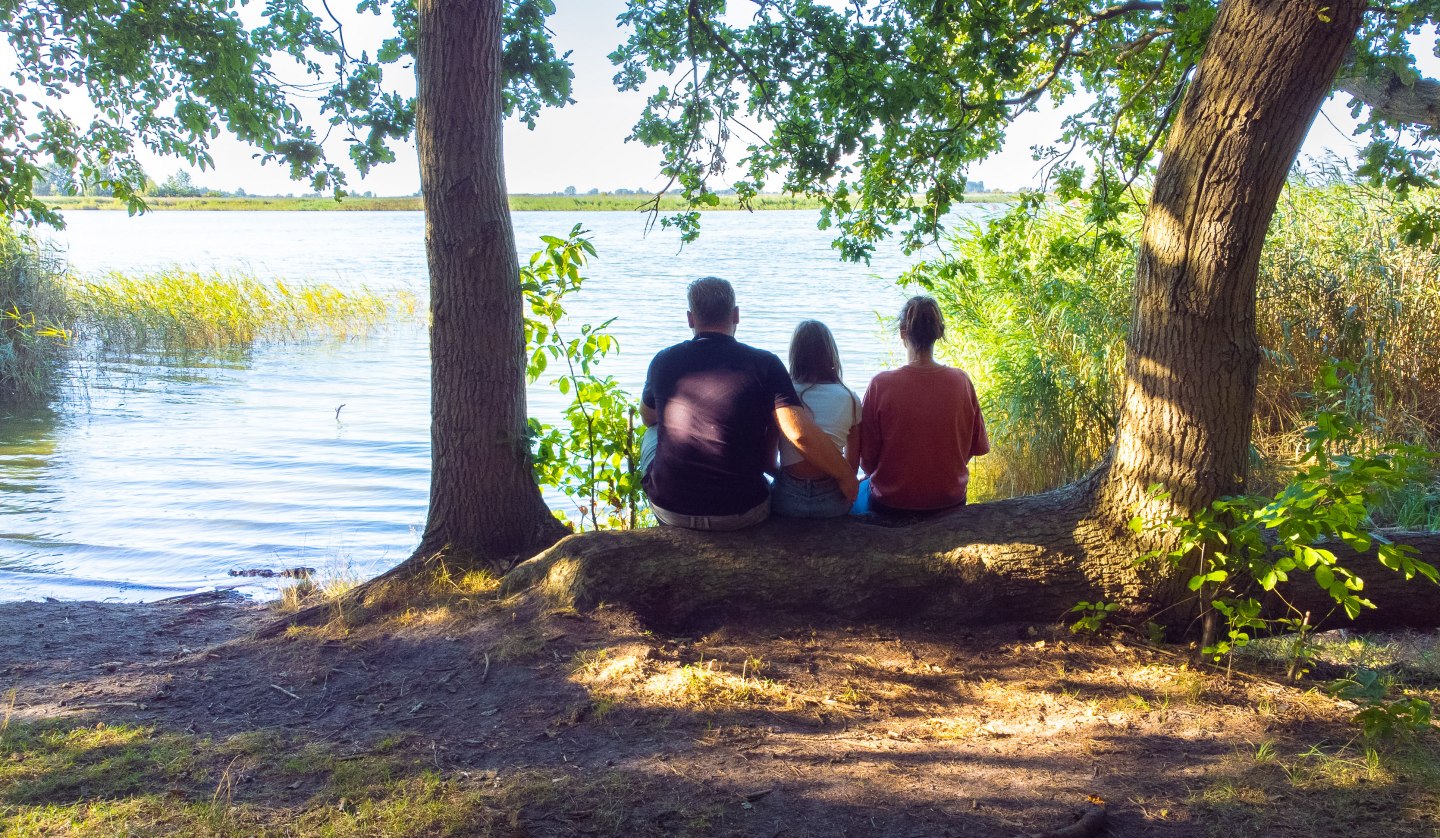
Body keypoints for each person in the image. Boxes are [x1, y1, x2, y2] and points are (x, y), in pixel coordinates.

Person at [640, 277, 858, 530]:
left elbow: (648, 417)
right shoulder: (764, 364)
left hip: (671, 509)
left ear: (690, 319)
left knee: (654, 430)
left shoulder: (664, 360)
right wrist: (846, 477)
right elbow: (798, 433)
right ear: (736, 315)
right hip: (742, 512)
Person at [859, 295, 988, 513]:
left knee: (860, 489)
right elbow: (975, 447)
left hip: (891, 503)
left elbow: (866, 461)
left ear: (902, 332)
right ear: (940, 332)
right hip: (950, 500)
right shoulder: (961, 381)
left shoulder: (880, 385)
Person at [772, 320, 862, 518]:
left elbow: (768, 462)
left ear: (795, 354)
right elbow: (853, 465)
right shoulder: (850, 398)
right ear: (831, 354)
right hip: (832, 502)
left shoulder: (782, 400)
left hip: (786, 501)